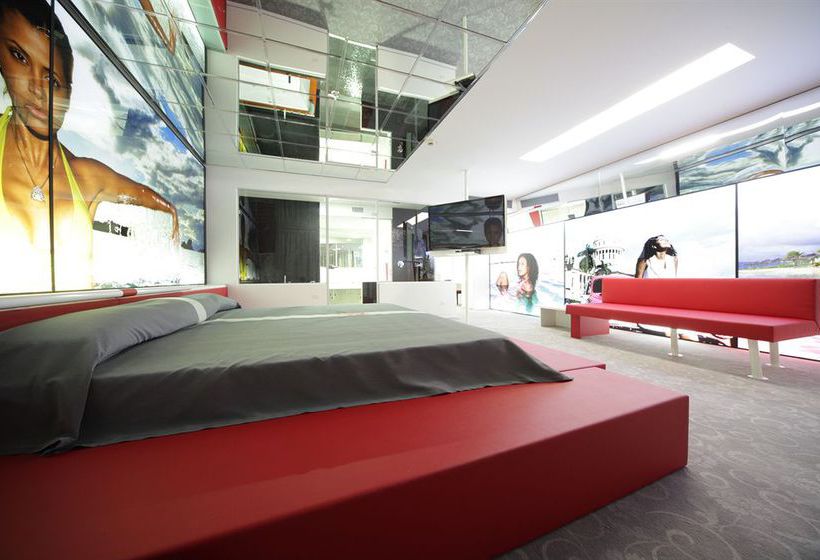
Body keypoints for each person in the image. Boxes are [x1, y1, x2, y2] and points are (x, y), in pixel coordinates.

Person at [0, 0, 178, 293]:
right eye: (19, 56)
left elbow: (158, 203)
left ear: (68, 92)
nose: (36, 88)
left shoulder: (86, 177)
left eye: (52, 80)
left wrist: (172, 217)